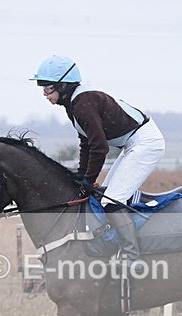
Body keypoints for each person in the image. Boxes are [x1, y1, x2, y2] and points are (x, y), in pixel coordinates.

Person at [30, 54, 165, 272]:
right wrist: (81, 176)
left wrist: (87, 180)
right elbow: (86, 143)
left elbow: (100, 147)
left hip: (145, 143)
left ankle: (132, 256)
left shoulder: (83, 103)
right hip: (132, 143)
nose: (45, 94)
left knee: (111, 200)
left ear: (63, 85)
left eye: (47, 88)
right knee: (103, 195)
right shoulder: (73, 104)